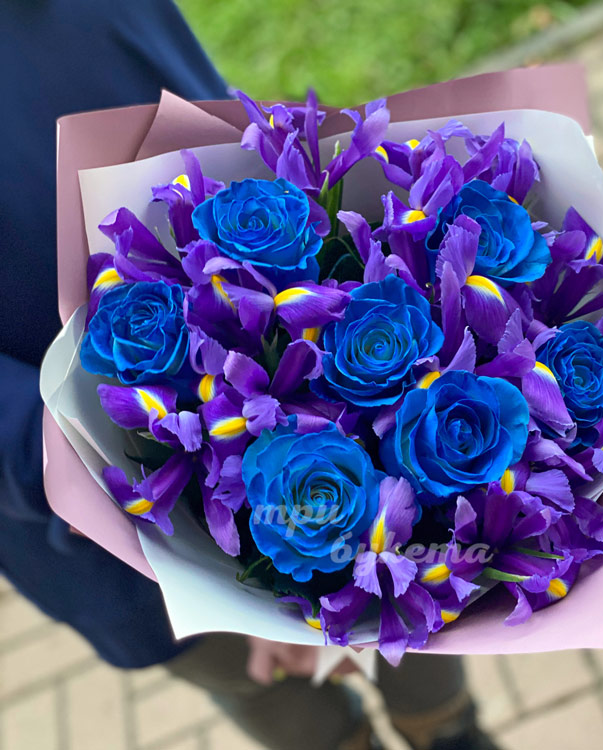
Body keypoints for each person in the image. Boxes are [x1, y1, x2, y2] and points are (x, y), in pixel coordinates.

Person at [0, 2, 500, 748]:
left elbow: (178, 90)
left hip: (332, 374)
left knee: (426, 637)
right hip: (106, 518)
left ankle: (450, 732)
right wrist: (218, 570)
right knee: (294, 714)